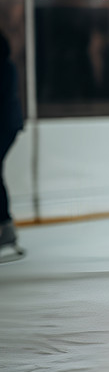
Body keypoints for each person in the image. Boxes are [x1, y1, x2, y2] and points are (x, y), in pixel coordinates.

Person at [0, 27, 25, 263]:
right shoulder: (7, 66)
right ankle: (5, 228)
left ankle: (6, 228)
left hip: (5, 125)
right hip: (8, 124)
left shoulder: (5, 68)